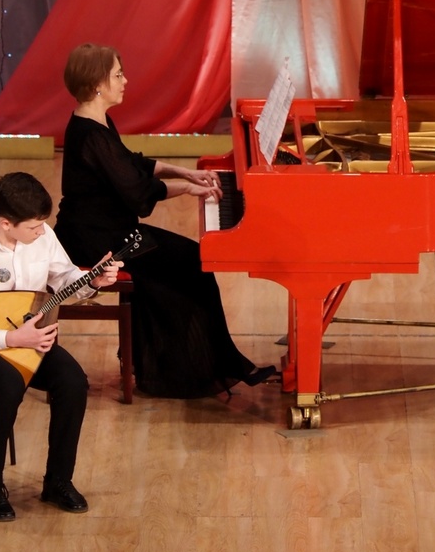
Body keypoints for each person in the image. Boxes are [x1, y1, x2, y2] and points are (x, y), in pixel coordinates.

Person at [54, 42, 276, 399]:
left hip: (113, 231)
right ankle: (193, 371)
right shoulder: (90, 134)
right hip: (97, 241)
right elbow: (138, 192)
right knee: (192, 265)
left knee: (190, 264)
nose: (125, 81)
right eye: (118, 75)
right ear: (97, 84)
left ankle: (194, 365)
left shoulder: (97, 121)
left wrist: (185, 172)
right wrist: (187, 189)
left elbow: (132, 163)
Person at [0, 172, 123, 522]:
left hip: (28, 338)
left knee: (73, 382)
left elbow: (65, 279)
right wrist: (10, 339)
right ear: (6, 223)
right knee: (7, 384)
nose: (42, 232)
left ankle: (58, 482)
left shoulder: (42, 235)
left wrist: (92, 280)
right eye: (34, 227)